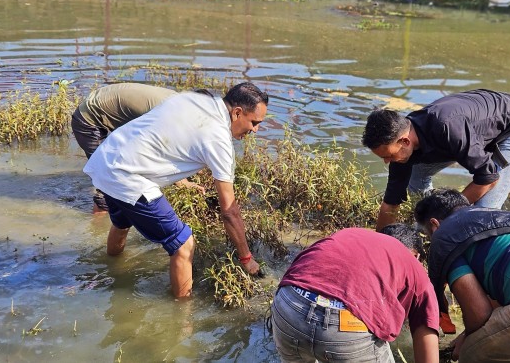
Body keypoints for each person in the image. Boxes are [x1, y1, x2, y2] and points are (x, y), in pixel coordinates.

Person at [83, 82, 268, 298]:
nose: (255, 130)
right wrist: (246, 258)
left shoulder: (192, 99)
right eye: (254, 122)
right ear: (237, 113)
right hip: (128, 176)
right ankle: (183, 316)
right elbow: (229, 210)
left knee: (122, 222)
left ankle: (111, 270)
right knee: (184, 243)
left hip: (107, 157)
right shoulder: (219, 139)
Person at [414, 189, 510, 363]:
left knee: (472, 353)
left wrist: (465, 340)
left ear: (434, 225)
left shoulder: (446, 238)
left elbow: (479, 314)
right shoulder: (501, 218)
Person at [362, 89, 510, 232]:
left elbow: (488, 178)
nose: (387, 162)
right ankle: (426, 229)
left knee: (483, 209)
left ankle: (454, 237)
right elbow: (391, 203)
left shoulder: (447, 128)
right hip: (472, 130)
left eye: (389, 156)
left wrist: (446, 213)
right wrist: (381, 246)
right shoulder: (400, 141)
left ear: (405, 141)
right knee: (413, 175)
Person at [271, 225, 440, 363]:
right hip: (344, 327)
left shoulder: (351, 234)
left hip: (289, 304)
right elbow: (427, 333)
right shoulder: (414, 266)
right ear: (416, 255)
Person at [72, 82, 179, 213]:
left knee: (122, 170)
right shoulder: (169, 115)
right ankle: (98, 225)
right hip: (88, 119)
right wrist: (180, 180)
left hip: (103, 106)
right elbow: (160, 149)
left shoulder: (180, 102)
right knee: (108, 178)